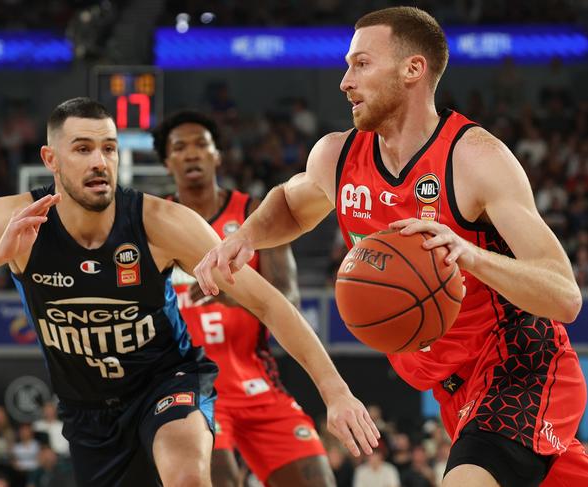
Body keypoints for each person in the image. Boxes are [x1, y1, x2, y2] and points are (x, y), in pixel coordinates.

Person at [194, 7, 588, 487]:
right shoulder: (337, 155)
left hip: (519, 368)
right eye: (346, 65)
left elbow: (565, 295)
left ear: (412, 70)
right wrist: (245, 236)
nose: (345, 81)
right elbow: (292, 206)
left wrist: (470, 254)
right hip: (449, 390)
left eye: (361, 64)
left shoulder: (475, 159)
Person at [0, 97, 378, 487]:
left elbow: (269, 301)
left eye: (109, 148)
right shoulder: (16, 220)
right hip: (86, 409)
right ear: (50, 159)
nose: (99, 161)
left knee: (187, 475)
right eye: (83, 149)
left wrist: (335, 391)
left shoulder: (159, 223)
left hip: (167, 381)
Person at [152, 111, 335, 487]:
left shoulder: (254, 216)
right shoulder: (155, 222)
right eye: (179, 148)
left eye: (201, 145)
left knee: (318, 479)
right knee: (219, 477)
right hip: (190, 385)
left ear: (217, 155)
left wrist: (233, 296)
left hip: (256, 378)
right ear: (167, 162)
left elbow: (289, 299)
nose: (191, 154)